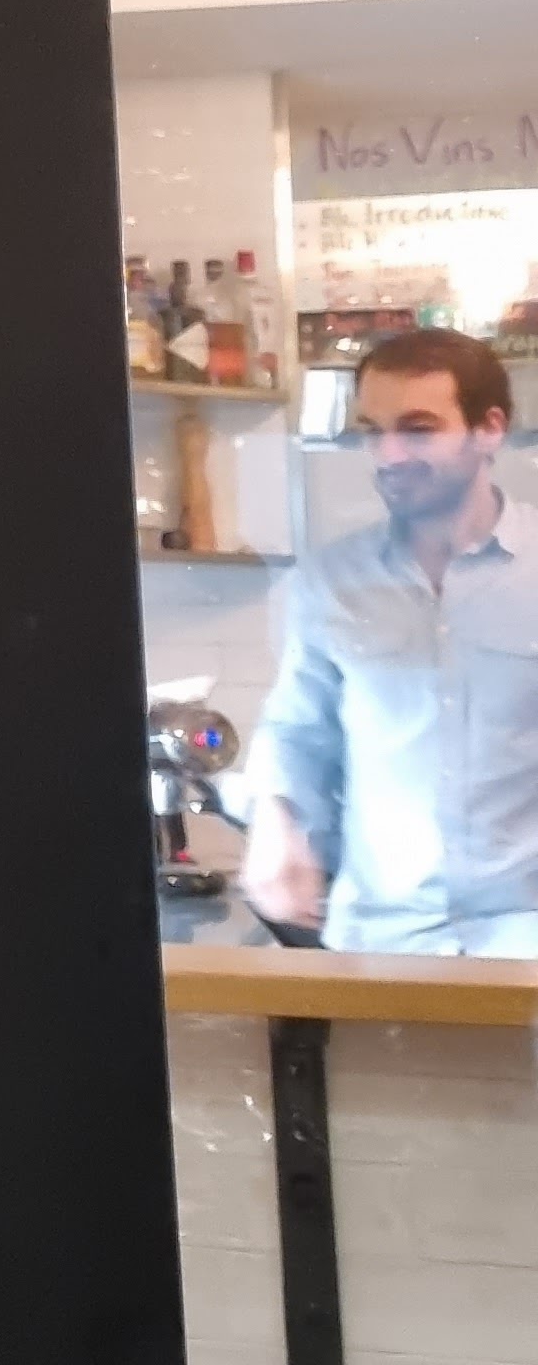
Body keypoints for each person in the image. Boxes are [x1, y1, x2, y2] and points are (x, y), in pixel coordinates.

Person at [240, 329, 538, 955]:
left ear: (489, 430)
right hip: (379, 943)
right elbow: (299, 730)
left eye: (418, 429)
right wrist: (277, 819)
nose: (389, 454)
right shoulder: (331, 581)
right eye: (373, 432)